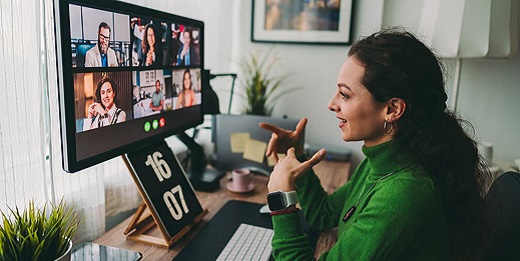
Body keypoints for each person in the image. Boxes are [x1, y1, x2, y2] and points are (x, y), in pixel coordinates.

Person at [260, 28, 492, 260]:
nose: (331, 104)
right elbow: (324, 214)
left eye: (345, 95)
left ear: (392, 109)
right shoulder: (383, 162)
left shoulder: (404, 194)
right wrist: (298, 154)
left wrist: (281, 198)